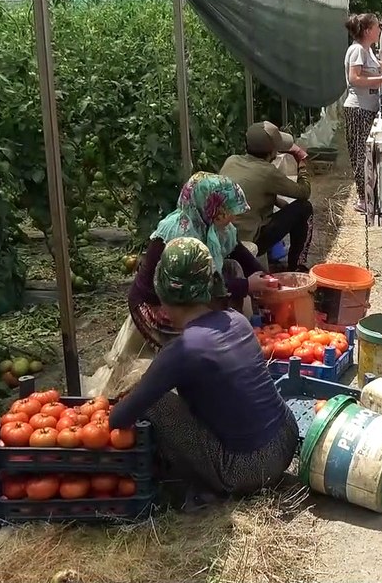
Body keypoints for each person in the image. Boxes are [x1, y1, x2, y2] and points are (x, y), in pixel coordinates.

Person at [110, 237, 299, 509]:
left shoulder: (182, 350)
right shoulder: (236, 320)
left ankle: (207, 485)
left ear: (162, 296)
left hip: (250, 469)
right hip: (285, 438)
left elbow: (119, 418)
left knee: (158, 403)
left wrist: (126, 400)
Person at [127, 172, 271, 350]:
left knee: (231, 266)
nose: (232, 217)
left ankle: (223, 322)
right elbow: (193, 286)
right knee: (202, 345)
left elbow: (238, 252)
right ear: (210, 208)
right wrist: (246, 286)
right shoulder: (180, 233)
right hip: (162, 302)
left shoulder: (213, 225)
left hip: (192, 291)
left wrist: (267, 280)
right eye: (227, 212)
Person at [220, 121, 313, 272]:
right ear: (273, 152)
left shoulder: (231, 161)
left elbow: (250, 192)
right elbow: (304, 192)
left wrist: (282, 204)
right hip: (250, 241)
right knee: (304, 207)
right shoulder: (268, 172)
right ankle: (296, 266)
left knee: (277, 212)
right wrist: (302, 164)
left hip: (225, 234)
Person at [343, 13, 382, 213]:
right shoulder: (357, 51)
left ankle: (368, 196)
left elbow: (378, 66)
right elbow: (354, 78)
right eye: (377, 27)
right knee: (360, 155)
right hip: (358, 109)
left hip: (368, 109)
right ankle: (363, 199)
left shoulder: (367, 50)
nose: (380, 30)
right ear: (368, 30)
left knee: (367, 153)